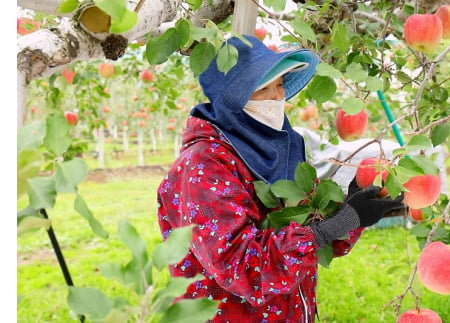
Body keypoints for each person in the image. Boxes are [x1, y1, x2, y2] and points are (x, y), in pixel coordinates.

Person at [156, 34, 405, 322]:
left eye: (279, 85)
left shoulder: (282, 147)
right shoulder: (203, 166)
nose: (276, 98)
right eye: (262, 89)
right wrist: (336, 225)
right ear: (232, 97)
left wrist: (350, 208)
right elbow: (243, 268)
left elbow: (310, 236)